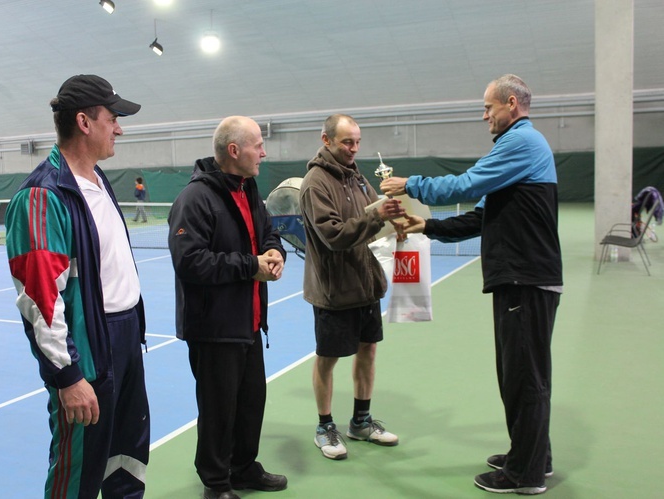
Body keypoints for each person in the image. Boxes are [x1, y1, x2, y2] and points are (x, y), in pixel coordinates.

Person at [381, 74, 563, 495]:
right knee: (520, 373)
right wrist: (425, 224)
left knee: (524, 376)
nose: (485, 116)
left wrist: (411, 184)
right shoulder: (516, 151)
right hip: (521, 277)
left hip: (526, 278)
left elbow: (464, 185)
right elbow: (480, 216)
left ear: (512, 104)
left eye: (489, 108)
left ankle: (525, 474)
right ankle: (534, 454)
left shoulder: (521, 143)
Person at [5, 74, 150, 499]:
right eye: (113, 118)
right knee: (78, 474)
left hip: (124, 344)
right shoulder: (42, 197)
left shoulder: (99, 181)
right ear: (85, 122)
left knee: (126, 460)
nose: (119, 127)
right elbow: (40, 300)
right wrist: (67, 375)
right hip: (88, 353)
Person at [167, 116, 288, 499]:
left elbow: (267, 231)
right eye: (257, 145)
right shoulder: (195, 199)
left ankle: (243, 468)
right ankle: (216, 484)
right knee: (218, 411)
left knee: (251, 403)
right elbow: (189, 262)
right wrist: (251, 266)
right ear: (234, 151)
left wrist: (273, 250)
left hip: (248, 322)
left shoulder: (248, 188)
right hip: (213, 327)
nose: (264, 153)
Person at [299, 114, 406, 461]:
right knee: (327, 360)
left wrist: (395, 223)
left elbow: (374, 220)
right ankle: (324, 426)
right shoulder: (315, 183)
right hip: (334, 290)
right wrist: (377, 217)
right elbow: (333, 235)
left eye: (357, 142)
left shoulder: (359, 178)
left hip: (366, 284)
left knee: (368, 351)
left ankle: (360, 422)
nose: (354, 149)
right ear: (326, 140)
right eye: (347, 142)